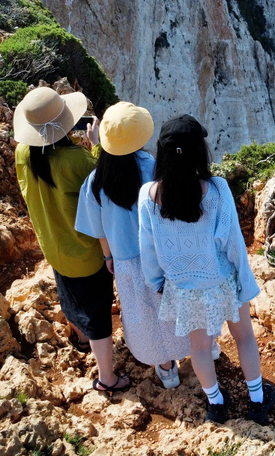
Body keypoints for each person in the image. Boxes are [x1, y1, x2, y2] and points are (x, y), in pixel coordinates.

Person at [137, 115, 275, 424]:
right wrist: (245, 283)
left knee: (198, 347)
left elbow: (147, 248)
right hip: (222, 281)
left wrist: (158, 283)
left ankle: (216, 403)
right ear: (199, 151)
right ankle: (257, 400)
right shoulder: (216, 189)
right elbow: (233, 244)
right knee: (244, 338)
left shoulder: (147, 197)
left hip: (182, 287)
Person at [14, 86, 129, 393]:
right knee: (97, 311)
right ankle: (107, 378)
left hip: (54, 247)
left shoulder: (23, 154)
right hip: (87, 254)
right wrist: (96, 147)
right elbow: (103, 185)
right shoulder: (76, 160)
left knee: (70, 297)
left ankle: (80, 338)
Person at [75, 102, 192, 389]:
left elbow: (99, 229)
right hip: (161, 253)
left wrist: (108, 257)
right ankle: (203, 347)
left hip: (126, 260)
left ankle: (166, 369)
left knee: (146, 315)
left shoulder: (94, 182)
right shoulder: (152, 167)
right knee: (178, 303)